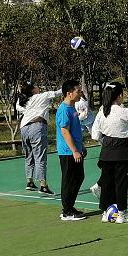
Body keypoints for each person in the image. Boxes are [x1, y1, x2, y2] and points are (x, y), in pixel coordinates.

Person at [90, 82, 128, 224]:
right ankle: (122, 213)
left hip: (106, 150)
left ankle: (105, 212)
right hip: (121, 149)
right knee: (121, 183)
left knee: (107, 182)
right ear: (120, 95)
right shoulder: (123, 111)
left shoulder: (102, 111)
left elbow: (95, 135)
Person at [16, 82, 63, 195]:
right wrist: (68, 85)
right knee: (40, 156)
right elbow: (58, 93)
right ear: (33, 90)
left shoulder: (24, 100)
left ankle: (30, 182)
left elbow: (18, 107)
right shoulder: (41, 96)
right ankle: (43, 186)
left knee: (29, 155)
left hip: (24, 128)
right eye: (36, 86)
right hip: (37, 126)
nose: (39, 87)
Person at [55, 79, 87, 221]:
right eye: (77, 91)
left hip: (75, 150)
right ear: (69, 93)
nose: (80, 93)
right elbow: (65, 132)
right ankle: (66, 211)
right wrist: (74, 150)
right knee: (69, 180)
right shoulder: (63, 110)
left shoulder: (72, 107)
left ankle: (70, 206)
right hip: (67, 152)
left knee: (79, 177)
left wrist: (81, 147)